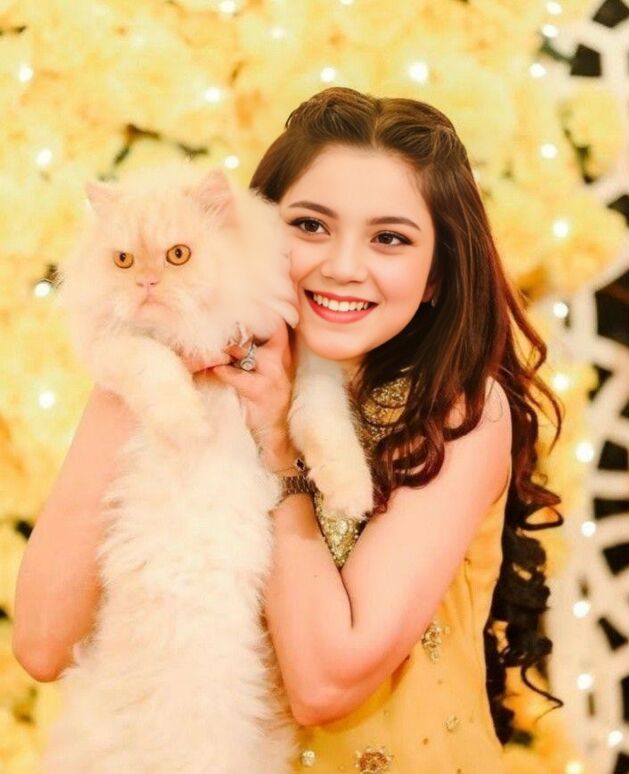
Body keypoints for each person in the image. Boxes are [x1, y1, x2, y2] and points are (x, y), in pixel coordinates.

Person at [13, 86, 565, 772]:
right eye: (310, 226)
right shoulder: (191, 381)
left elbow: (324, 684)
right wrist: (133, 364)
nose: (342, 266)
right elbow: (41, 645)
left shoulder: (459, 412)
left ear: (435, 275)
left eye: (390, 238)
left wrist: (279, 444)